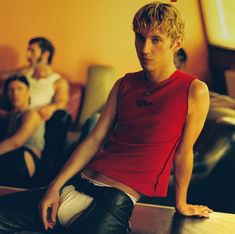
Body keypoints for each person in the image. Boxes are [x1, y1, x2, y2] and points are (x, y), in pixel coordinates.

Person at [0, 2, 212, 233]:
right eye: (139, 38)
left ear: (176, 43)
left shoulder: (193, 90)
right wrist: (54, 186)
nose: (144, 49)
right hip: (75, 185)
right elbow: (93, 140)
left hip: (113, 201)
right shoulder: (124, 84)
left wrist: (180, 204)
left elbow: (184, 152)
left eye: (156, 39)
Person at [0, 37, 69, 121]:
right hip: (13, 115)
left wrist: (52, 107)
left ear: (45, 55)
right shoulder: (25, 72)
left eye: (32, 51)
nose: (28, 55)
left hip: (33, 119)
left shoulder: (58, 82)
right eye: (28, 51)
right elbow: (3, 76)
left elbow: (62, 102)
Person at [0, 75, 44, 188]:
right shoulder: (11, 115)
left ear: (28, 92)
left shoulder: (31, 114)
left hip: (24, 157)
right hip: (9, 156)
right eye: (11, 90)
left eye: (20, 89)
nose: (15, 94)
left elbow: (16, 142)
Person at [174, 48, 235, 120]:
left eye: (179, 66)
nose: (179, 69)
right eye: (177, 66)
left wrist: (230, 103)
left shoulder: (188, 81)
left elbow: (208, 95)